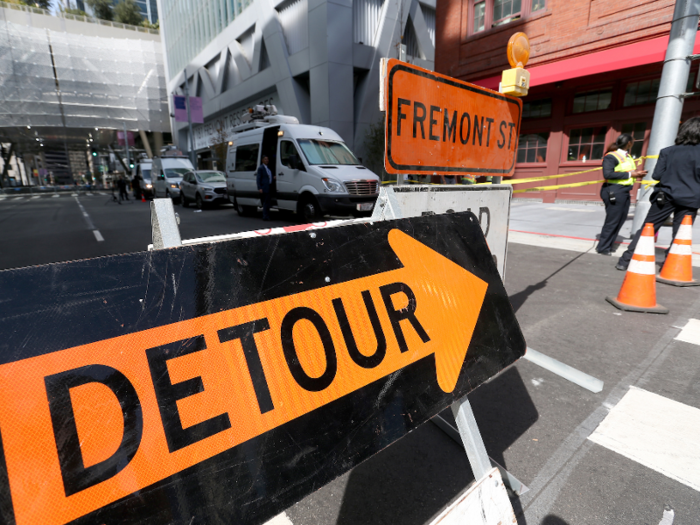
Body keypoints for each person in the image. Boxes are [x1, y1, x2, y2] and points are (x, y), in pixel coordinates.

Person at [616, 117, 700, 271]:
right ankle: (670, 265)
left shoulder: (667, 151)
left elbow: (656, 175)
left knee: (648, 228)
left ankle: (625, 260)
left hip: (665, 196)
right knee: (680, 234)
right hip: (691, 198)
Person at [596, 134, 647, 255]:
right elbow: (608, 174)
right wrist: (631, 175)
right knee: (613, 220)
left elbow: (625, 170)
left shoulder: (627, 156)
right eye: (633, 141)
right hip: (614, 190)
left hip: (624, 191)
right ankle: (603, 247)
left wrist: (636, 173)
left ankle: (609, 244)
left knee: (621, 218)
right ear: (629, 143)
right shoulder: (611, 156)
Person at [256, 155, 275, 221]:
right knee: (265, 203)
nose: (267, 160)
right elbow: (258, 179)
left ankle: (267, 215)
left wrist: (273, 178)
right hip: (264, 187)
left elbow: (268, 176)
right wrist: (260, 188)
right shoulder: (261, 168)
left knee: (268, 202)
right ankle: (265, 216)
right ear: (262, 160)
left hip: (269, 187)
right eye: (265, 159)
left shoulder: (268, 168)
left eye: (267, 159)